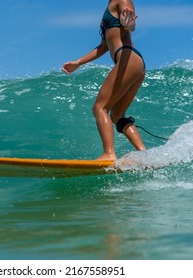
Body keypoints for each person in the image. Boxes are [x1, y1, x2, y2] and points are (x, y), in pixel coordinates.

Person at [63, 0, 146, 161]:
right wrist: (78, 62)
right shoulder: (109, 7)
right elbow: (104, 46)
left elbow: (131, 25)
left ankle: (109, 154)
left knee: (100, 107)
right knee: (117, 115)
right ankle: (144, 153)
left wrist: (128, 24)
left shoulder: (122, 0)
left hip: (127, 57)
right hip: (134, 62)